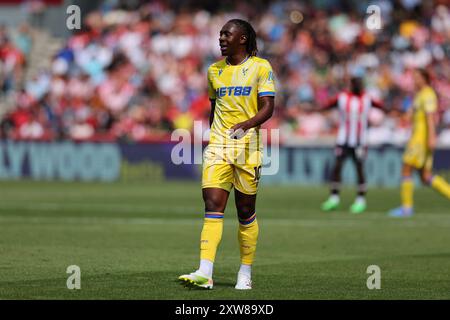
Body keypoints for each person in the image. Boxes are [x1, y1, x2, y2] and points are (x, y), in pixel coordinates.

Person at [178, 19, 275, 290]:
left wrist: (246, 124)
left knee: (245, 211)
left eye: (226, 34)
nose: (221, 38)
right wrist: (214, 138)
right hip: (219, 146)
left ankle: (245, 271)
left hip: (248, 148)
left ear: (242, 39)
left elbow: (268, 107)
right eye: (220, 34)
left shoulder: (261, 67)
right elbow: (213, 109)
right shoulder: (214, 71)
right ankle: (205, 271)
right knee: (212, 205)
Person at [389, 69, 450, 217]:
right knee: (425, 177)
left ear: (424, 78)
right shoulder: (419, 95)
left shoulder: (428, 94)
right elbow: (410, 115)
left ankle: (407, 208)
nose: (414, 80)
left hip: (421, 138)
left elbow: (430, 118)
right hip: (417, 136)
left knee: (406, 169)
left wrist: (431, 137)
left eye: (417, 77)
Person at [320, 77, 386, 214]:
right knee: (337, 167)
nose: (356, 85)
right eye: (354, 83)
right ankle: (334, 198)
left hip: (359, 141)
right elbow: (326, 105)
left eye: (358, 83)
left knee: (359, 169)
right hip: (343, 140)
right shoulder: (342, 97)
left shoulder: (368, 98)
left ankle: (361, 200)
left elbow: (383, 106)